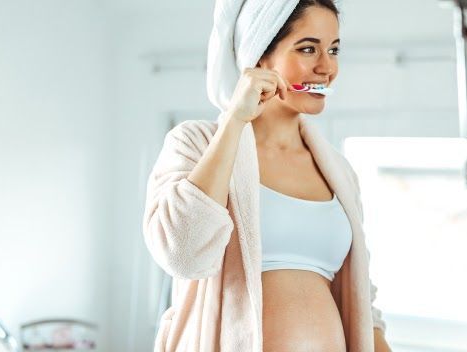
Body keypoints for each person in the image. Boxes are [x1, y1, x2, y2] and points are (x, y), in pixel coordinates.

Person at [143, 0, 390, 350]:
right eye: (308, 49)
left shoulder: (340, 172)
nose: (327, 68)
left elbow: (363, 304)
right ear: (260, 57)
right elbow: (182, 253)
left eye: (334, 50)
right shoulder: (196, 143)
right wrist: (234, 120)